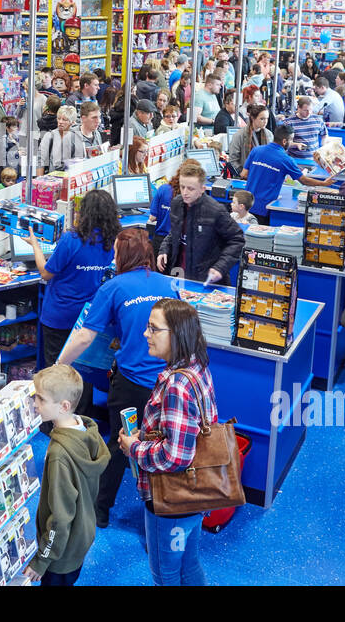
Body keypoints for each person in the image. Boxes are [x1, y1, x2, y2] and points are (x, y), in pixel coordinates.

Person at [57, 228, 178, 528]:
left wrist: (59, 364)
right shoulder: (167, 284)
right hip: (169, 381)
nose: (112, 256)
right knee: (162, 445)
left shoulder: (113, 288)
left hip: (133, 383)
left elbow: (85, 336)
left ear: (123, 255)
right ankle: (160, 516)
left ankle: (100, 510)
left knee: (121, 443)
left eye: (115, 251)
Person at [116, 298, 220, 585]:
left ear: (176, 334)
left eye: (153, 328)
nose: (145, 334)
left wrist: (133, 448)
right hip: (196, 492)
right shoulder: (197, 366)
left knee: (165, 572)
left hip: (172, 500)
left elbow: (175, 457)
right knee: (189, 562)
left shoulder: (177, 385)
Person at [23, 363, 108, 585]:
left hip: (60, 554)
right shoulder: (86, 430)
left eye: (41, 399)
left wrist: (42, 560)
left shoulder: (59, 454)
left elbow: (60, 518)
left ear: (64, 405)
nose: (35, 404)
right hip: (81, 535)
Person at [30, 188, 120, 387]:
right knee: (81, 372)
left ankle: (55, 416)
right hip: (87, 318)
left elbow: (45, 273)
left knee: (55, 374)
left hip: (58, 316)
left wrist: (35, 246)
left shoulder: (71, 240)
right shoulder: (111, 242)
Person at [158, 159, 246, 285]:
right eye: (182, 187)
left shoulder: (215, 211)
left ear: (202, 189)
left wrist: (220, 267)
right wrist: (164, 250)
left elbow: (237, 240)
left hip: (206, 280)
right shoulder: (177, 203)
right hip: (179, 274)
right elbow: (174, 233)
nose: (185, 192)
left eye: (190, 188)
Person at [239, 125, 335, 224]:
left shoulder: (256, 150)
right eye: (291, 139)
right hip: (263, 208)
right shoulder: (286, 160)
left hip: (246, 204)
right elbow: (304, 180)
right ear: (284, 141)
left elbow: (244, 174)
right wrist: (324, 183)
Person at [226, 104, 271, 177]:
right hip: (245, 176)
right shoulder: (239, 135)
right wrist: (242, 173)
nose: (265, 122)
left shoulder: (269, 135)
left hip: (263, 175)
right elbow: (233, 159)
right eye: (262, 119)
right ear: (253, 118)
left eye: (267, 118)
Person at [38, 103, 79, 173]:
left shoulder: (76, 137)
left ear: (72, 122)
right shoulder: (49, 136)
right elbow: (40, 160)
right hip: (52, 179)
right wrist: (40, 181)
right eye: (59, 118)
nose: (60, 122)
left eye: (64, 120)